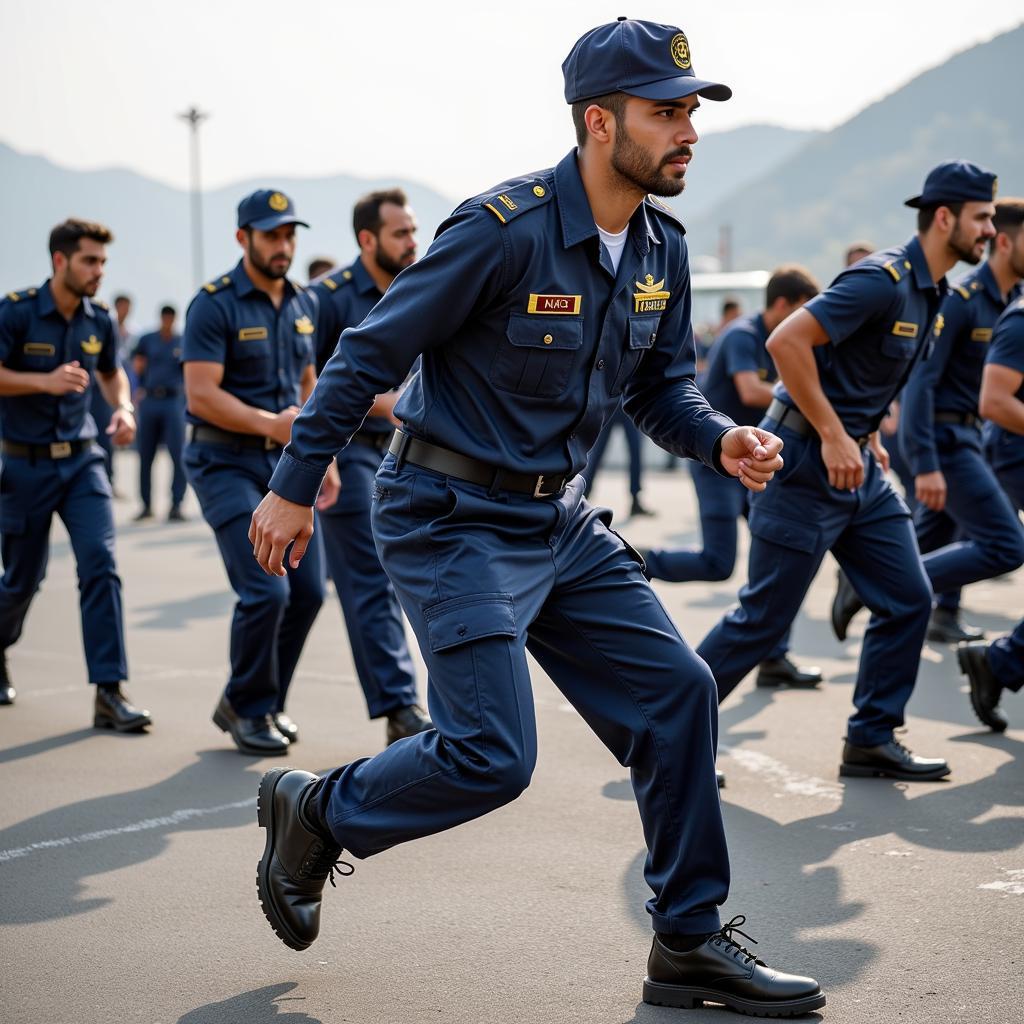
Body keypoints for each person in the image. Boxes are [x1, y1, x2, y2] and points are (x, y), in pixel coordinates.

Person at [248, 19, 824, 1018]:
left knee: (678, 692)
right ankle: (316, 809)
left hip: (554, 524)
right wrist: (294, 483)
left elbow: (660, 390)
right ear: (598, 122)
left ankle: (687, 941)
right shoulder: (501, 228)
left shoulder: (659, 248)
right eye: (665, 112)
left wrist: (718, 439)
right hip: (447, 515)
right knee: (491, 753)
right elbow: (367, 355)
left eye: (693, 110)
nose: (687, 130)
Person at [698, 161, 1000, 783]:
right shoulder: (882, 279)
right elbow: (786, 342)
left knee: (909, 597)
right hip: (805, 462)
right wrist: (836, 433)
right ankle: (665, 734)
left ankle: (870, 738)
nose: (991, 230)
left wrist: (862, 432)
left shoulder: (934, 290)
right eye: (982, 218)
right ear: (945, 218)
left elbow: (863, 370)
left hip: (855, 466)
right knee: (763, 620)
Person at [182, 189, 339, 755]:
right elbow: (200, 395)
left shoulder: (304, 302)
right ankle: (247, 707)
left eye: (290, 234)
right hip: (222, 460)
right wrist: (271, 425)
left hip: (284, 464)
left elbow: (308, 384)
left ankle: (261, 700)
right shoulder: (213, 303)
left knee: (308, 593)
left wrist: (324, 457)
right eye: (272, 234)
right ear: (242, 237)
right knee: (264, 592)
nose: (284, 245)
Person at [833, 196, 1024, 644]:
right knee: (1005, 543)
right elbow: (922, 382)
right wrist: (926, 463)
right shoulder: (962, 300)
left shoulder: (1011, 300)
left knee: (933, 535)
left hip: (973, 435)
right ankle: (869, 583)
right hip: (944, 437)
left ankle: (924, 606)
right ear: (1004, 242)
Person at [642, 265, 823, 689]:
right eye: (800, 311)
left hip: (752, 461)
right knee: (718, 563)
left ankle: (774, 656)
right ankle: (637, 559)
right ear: (781, 305)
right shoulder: (743, 335)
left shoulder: (787, 340)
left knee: (782, 552)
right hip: (715, 459)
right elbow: (749, 391)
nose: (804, 321)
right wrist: (809, 396)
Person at [0, 219, 149, 729]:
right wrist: (42, 381)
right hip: (24, 464)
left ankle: (109, 691)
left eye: (103, 262)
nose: (98, 271)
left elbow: (112, 373)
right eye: (90, 261)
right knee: (21, 580)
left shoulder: (99, 319)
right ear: (60, 261)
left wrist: (124, 409)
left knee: (101, 565)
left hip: (83, 461)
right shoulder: (16, 311)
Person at [310, 189, 431, 745]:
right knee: (368, 576)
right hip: (347, 449)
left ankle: (245, 698)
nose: (412, 242)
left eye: (413, 230)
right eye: (399, 234)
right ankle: (400, 706)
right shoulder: (326, 299)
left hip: (412, 449)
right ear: (367, 240)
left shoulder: (423, 287)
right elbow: (307, 381)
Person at [959, 292, 1024, 730]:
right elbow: (995, 401)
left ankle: (1000, 660)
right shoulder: (1020, 320)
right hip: (1015, 449)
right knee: (1004, 546)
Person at [132, 305, 188, 521]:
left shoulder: (181, 341)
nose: (167, 322)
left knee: (178, 455)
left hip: (173, 401)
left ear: (174, 319)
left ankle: (176, 505)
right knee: (145, 455)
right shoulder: (147, 340)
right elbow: (138, 365)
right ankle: (146, 505)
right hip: (151, 400)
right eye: (165, 318)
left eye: (170, 319)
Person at [580, 401, 653, 517]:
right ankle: (582, 495)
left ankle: (635, 499)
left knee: (636, 451)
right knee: (596, 452)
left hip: (629, 405)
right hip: (609, 405)